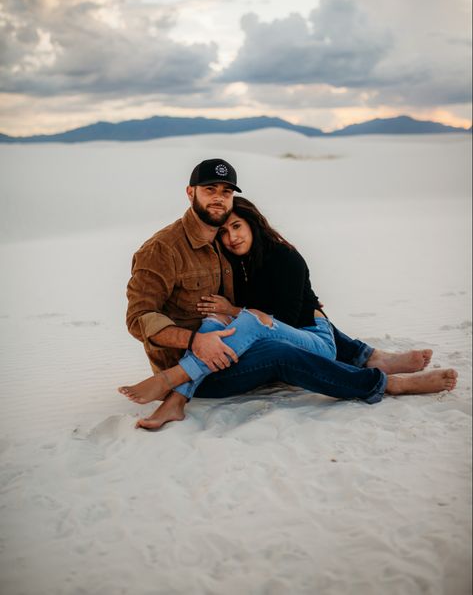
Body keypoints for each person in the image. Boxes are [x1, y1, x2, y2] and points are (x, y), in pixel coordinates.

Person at [120, 158, 457, 430]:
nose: (219, 197)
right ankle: (385, 382)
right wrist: (195, 342)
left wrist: (305, 305)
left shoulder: (224, 247)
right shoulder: (162, 250)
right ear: (190, 192)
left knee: (252, 322)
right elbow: (139, 319)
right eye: (210, 189)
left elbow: (266, 304)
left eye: (226, 191)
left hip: (233, 348)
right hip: (203, 369)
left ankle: (368, 357)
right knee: (268, 343)